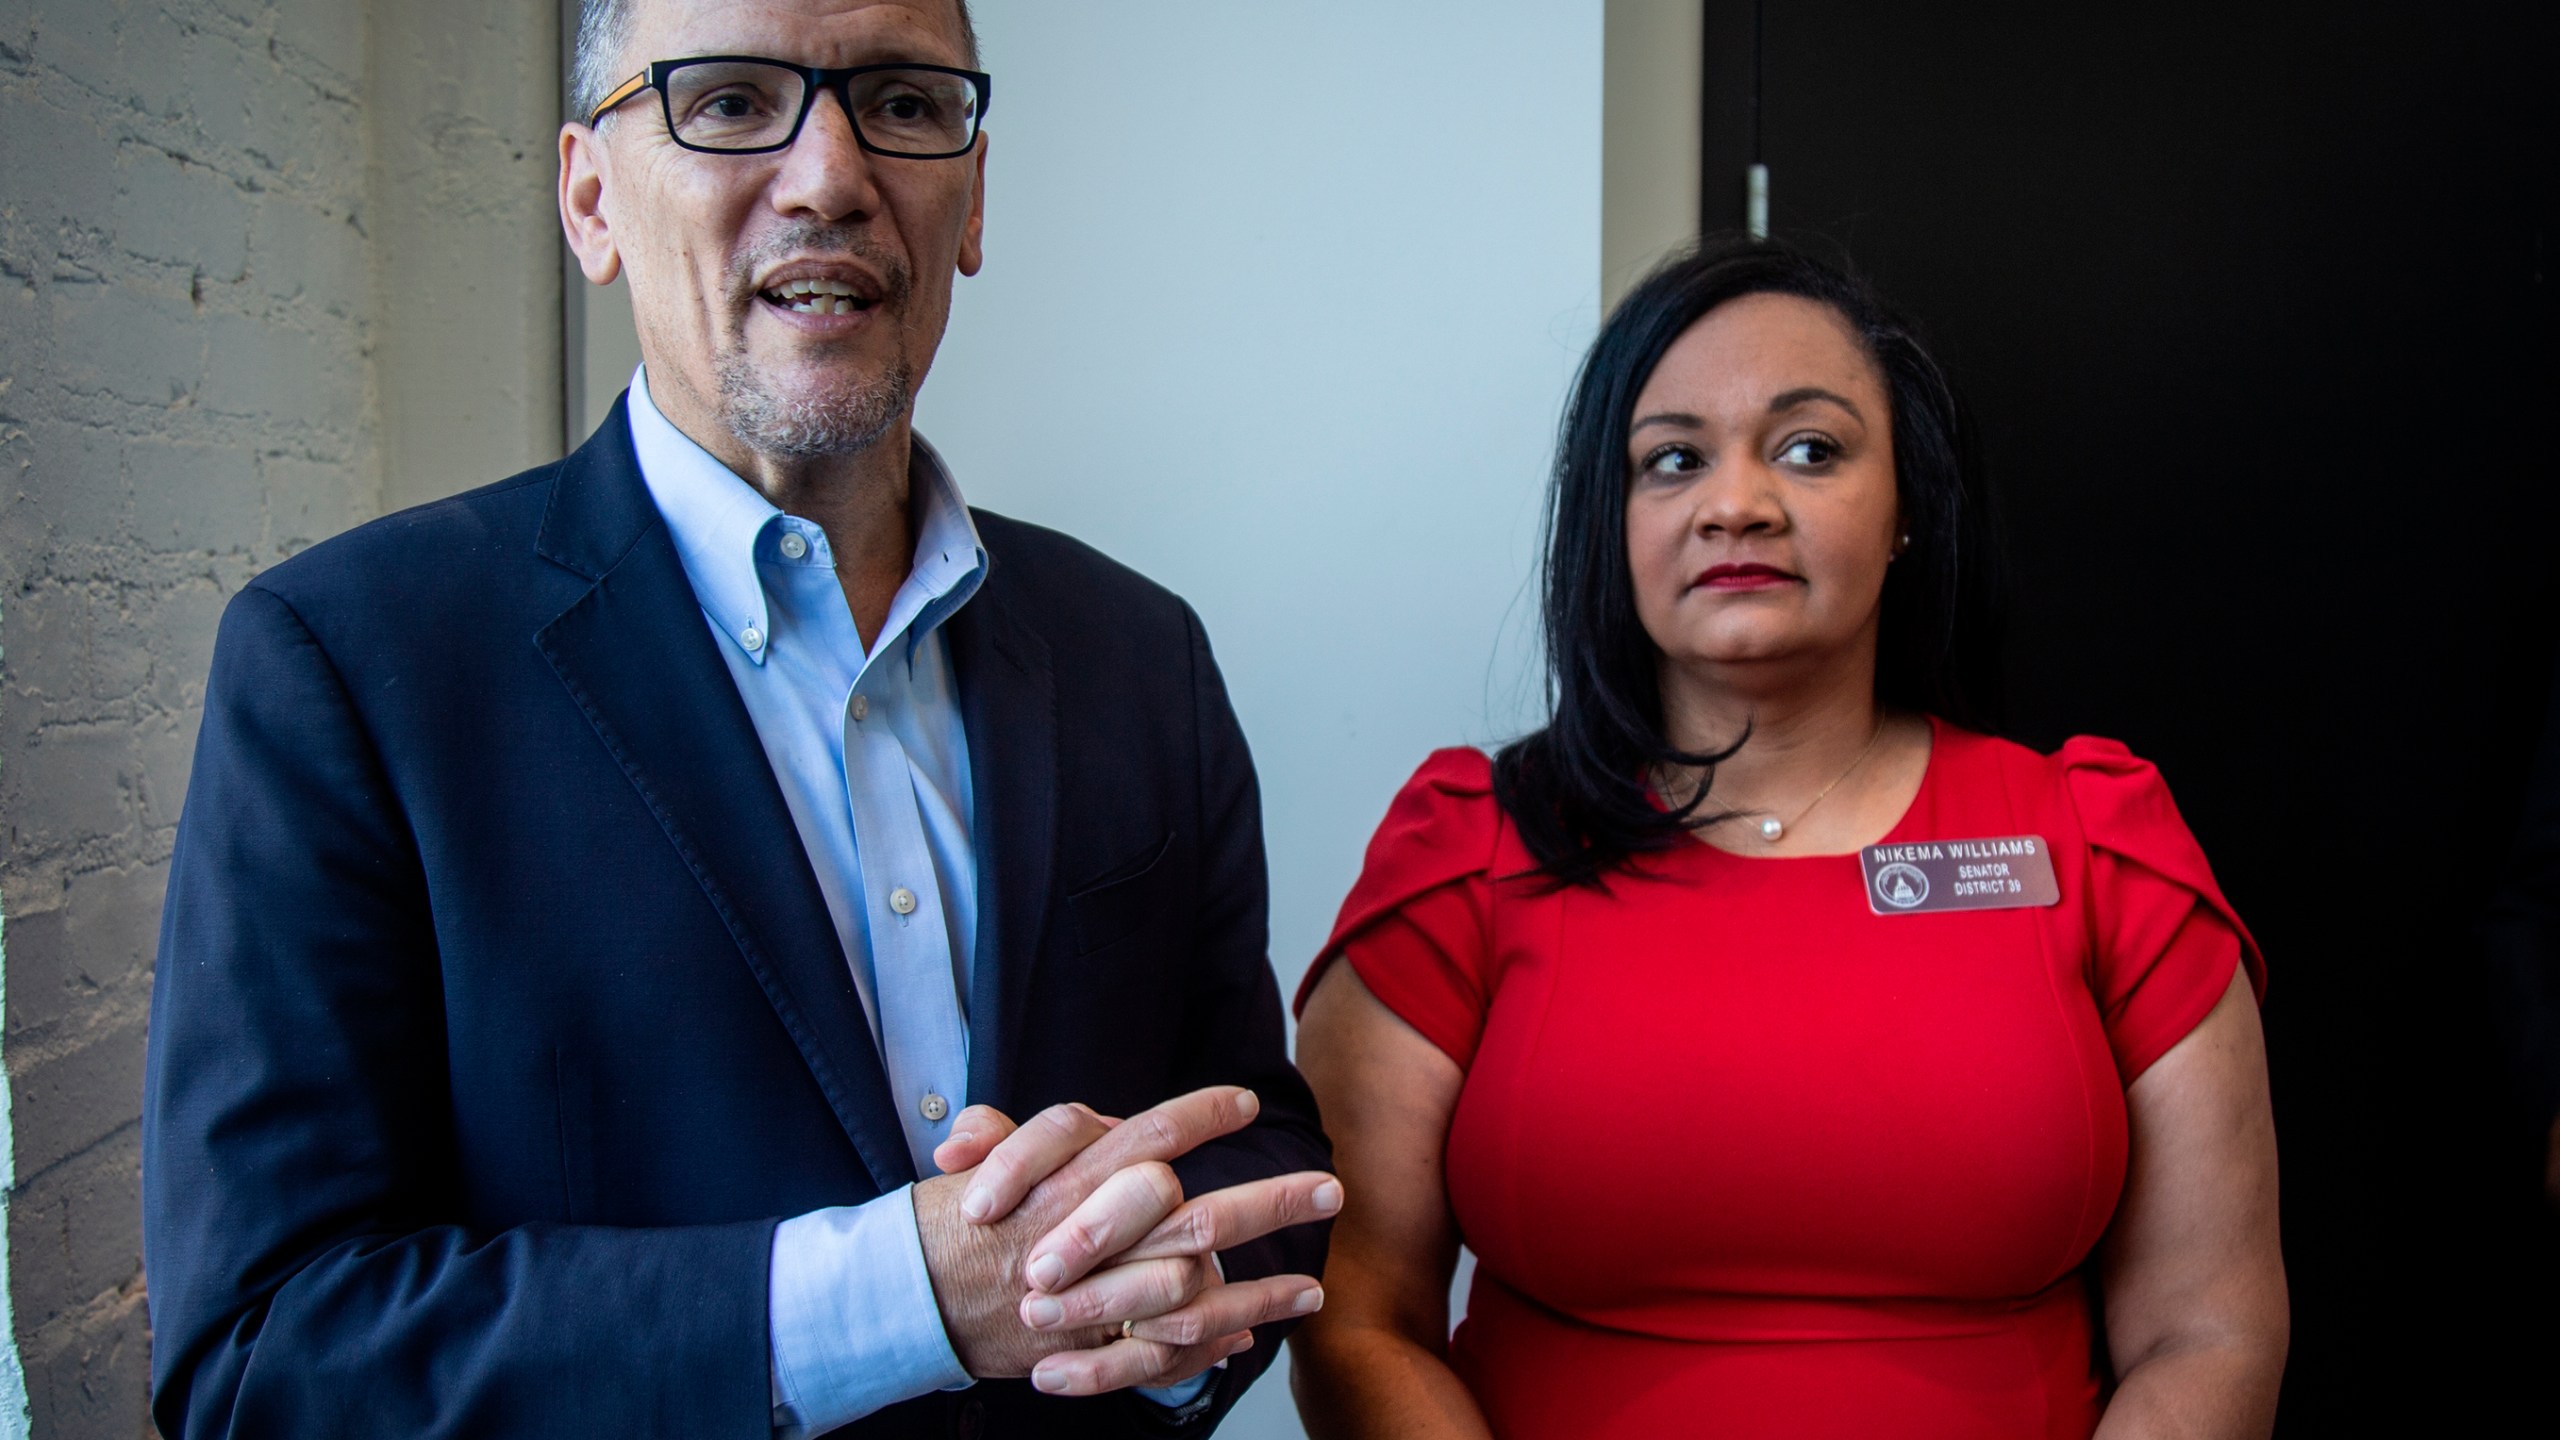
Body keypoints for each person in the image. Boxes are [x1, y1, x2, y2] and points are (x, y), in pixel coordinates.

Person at [140, 2, 1336, 1436]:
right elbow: (268, 1348)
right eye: (727, 102)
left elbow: (1256, 1144)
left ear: (970, 202)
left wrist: (1155, 1303)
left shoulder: (1142, 652)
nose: (831, 174)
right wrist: (902, 1298)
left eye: (900, 102)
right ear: (592, 199)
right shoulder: (346, 661)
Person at [1287, 238, 2289, 1439]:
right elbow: (1356, 1323)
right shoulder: (1468, 849)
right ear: (1612, 520)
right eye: (1672, 461)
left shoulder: (2095, 843)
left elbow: (2211, 1333)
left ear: (1909, 504)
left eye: (1809, 449)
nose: (1736, 504)